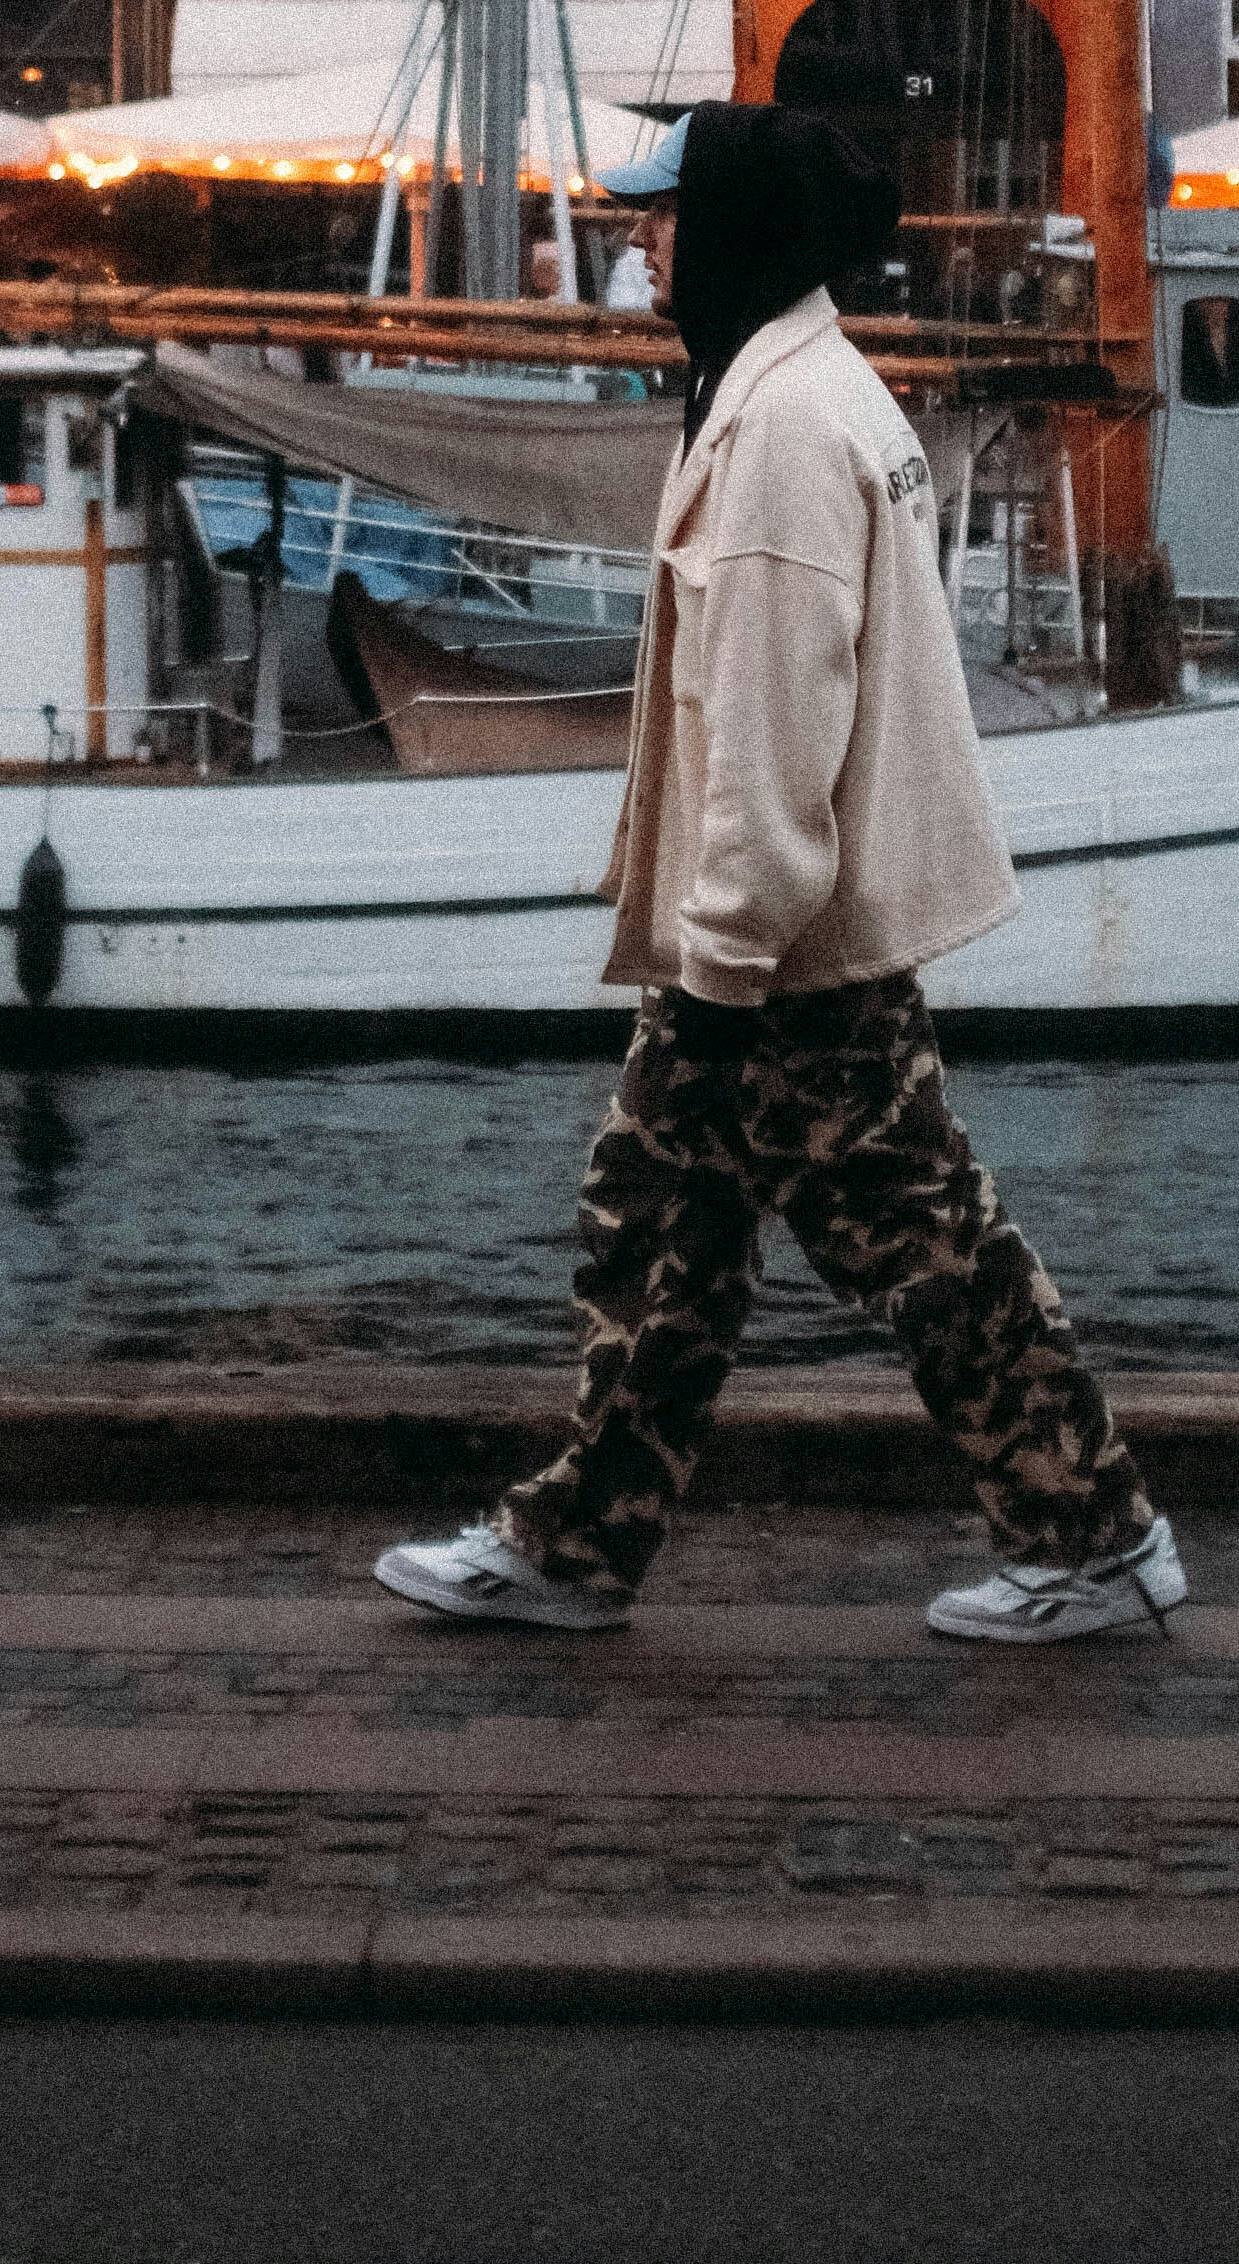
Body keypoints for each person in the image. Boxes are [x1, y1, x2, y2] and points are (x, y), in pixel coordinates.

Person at [378, 103, 1178, 1648]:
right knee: (684, 1236)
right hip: (792, 933)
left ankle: (1094, 1540)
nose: (641, 239)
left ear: (736, 226)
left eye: (667, 213)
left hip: (780, 953)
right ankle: (578, 1547)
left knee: (905, 1250)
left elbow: (769, 729)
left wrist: (722, 972)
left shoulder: (780, 432)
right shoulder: (797, 389)